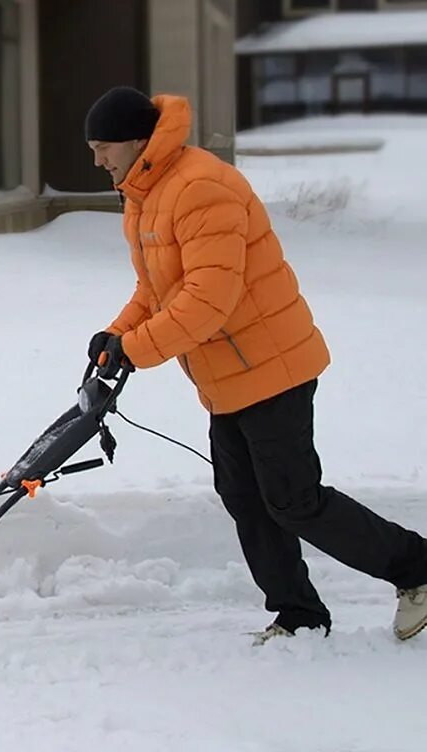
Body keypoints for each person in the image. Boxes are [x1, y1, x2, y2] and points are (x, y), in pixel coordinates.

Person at [83, 85, 427, 644]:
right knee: (244, 497)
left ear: (136, 141)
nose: (98, 160)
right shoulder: (146, 196)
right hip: (227, 375)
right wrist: (116, 334)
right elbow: (156, 289)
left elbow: (207, 299)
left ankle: (419, 570)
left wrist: (138, 350)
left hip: (272, 366)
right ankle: (299, 614)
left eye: (103, 147)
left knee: (295, 501)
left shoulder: (200, 187)